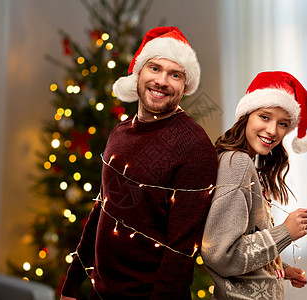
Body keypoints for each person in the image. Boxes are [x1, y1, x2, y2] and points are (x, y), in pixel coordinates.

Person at [60, 26, 218, 300]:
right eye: (154, 68)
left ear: (185, 85)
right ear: (139, 73)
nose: (162, 81)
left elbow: (179, 253)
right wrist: (71, 285)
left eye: (175, 74)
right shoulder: (120, 133)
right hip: (101, 293)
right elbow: (101, 211)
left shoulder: (194, 147)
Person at [201, 71, 307, 300]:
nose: (272, 131)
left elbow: (244, 244)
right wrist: (285, 232)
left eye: (282, 123)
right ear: (247, 115)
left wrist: (276, 269)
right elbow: (220, 254)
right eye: (265, 117)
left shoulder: (246, 163)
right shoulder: (238, 164)